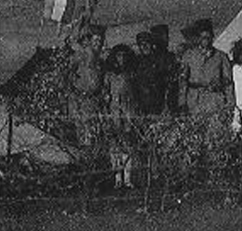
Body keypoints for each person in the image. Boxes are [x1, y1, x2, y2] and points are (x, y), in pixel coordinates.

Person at [179, 18, 233, 119]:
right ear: (198, 38)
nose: (205, 40)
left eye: (208, 37)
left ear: (212, 37)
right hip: (194, 102)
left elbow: (228, 82)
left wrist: (230, 104)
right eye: (202, 37)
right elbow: (183, 81)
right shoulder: (189, 56)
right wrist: (182, 104)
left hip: (215, 101)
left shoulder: (221, 56)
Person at [68, 25, 106, 154]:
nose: (98, 44)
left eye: (100, 41)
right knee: (82, 129)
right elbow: (69, 74)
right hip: (80, 99)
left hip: (93, 100)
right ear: (90, 41)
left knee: (92, 129)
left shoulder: (100, 60)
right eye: (95, 41)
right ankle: (85, 154)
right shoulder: (81, 56)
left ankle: (90, 153)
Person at [103, 43, 137, 189]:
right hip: (114, 112)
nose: (121, 59)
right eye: (118, 56)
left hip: (128, 113)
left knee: (128, 145)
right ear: (114, 58)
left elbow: (135, 94)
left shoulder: (131, 74)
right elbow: (104, 93)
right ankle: (117, 178)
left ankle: (128, 179)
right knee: (114, 146)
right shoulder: (109, 75)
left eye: (124, 56)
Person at [129, 30, 170, 117]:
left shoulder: (160, 60)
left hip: (159, 104)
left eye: (147, 43)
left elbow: (167, 83)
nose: (144, 46)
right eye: (141, 44)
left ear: (152, 44)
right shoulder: (136, 62)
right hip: (143, 106)